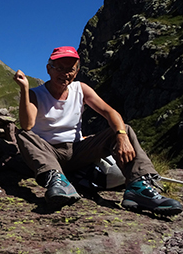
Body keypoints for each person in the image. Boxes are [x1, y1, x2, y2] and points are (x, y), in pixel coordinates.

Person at [13, 46, 182, 216]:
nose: (65, 73)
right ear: (49, 69)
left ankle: (138, 187)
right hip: (48, 152)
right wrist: (24, 90)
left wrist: (121, 137)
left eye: (70, 69)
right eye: (59, 68)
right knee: (23, 134)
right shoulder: (36, 94)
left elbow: (110, 113)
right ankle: (56, 180)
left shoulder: (80, 89)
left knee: (124, 130)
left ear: (77, 71)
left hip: (77, 151)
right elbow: (28, 125)